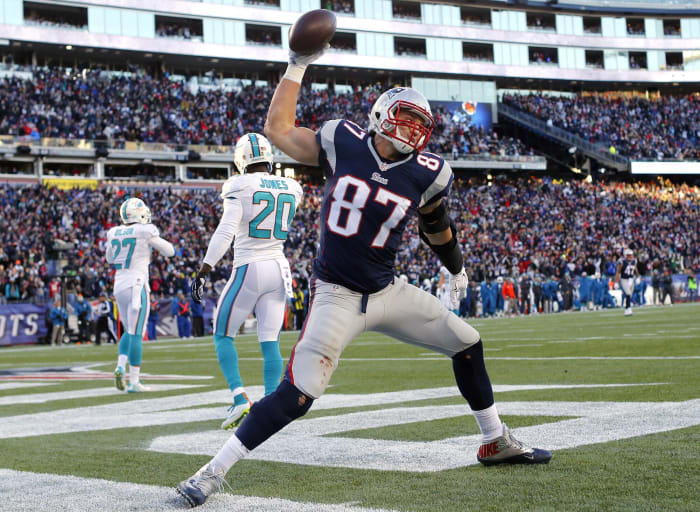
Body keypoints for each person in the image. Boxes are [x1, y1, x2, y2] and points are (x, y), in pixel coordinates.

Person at [176, 48, 550, 507]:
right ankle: (211, 473)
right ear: (378, 116)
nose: (411, 130)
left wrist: (456, 267)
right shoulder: (342, 140)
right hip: (335, 294)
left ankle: (494, 439)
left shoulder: (429, 173)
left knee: (467, 343)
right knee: (297, 395)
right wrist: (297, 63)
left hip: (386, 290)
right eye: (404, 118)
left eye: (419, 123)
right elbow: (277, 130)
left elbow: (435, 224)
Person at [190, 132, 303, 431]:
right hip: (279, 269)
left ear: (241, 159)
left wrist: (204, 269)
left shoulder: (239, 184)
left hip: (250, 266)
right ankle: (270, 408)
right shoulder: (293, 186)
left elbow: (226, 231)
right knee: (270, 343)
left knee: (222, 333)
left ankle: (240, 398)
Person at [106, 197, 174, 393]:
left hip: (119, 284)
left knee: (129, 329)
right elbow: (169, 252)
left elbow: (110, 258)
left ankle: (120, 365)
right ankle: (134, 381)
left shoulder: (114, 232)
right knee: (137, 332)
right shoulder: (145, 231)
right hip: (137, 283)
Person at [615, 248, 639, 316]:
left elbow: (635, 269)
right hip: (624, 279)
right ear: (625, 255)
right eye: (628, 255)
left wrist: (638, 277)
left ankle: (627, 309)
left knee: (630, 295)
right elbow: (618, 272)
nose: (630, 257)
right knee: (628, 293)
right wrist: (616, 282)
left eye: (631, 255)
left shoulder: (634, 261)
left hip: (631, 279)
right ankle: (628, 309)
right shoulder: (621, 262)